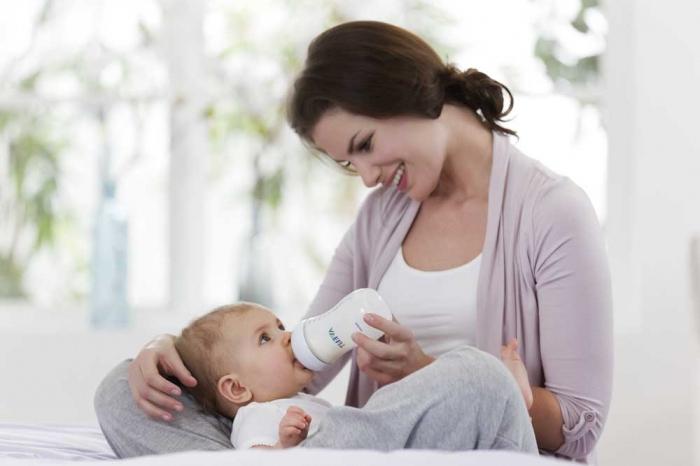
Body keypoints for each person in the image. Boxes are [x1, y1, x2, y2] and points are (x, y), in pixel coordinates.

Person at [94, 20, 612, 463]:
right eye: (349, 162)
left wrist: (426, 373)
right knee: (123, 390)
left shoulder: (552, 213)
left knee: (478, 378)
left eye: (365, 146)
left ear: (414, 94)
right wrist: (173, 353)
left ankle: (319, 455)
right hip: (372, 451)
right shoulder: (382, 219)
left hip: (481, 446)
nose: (366, 177)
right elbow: (298, 359)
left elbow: (581, 426)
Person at [96, 301, 538, 455]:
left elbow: (368, 428)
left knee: (471, 374)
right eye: (266, 338)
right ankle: (496, 393)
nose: (289, 337)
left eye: (281, 326)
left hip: (347, 440)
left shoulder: (305, 404)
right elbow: (254, 456)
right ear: (236, 388)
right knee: (472, 372)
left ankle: (499, 397)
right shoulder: (254, 418)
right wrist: (287, 450)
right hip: (313, 452)